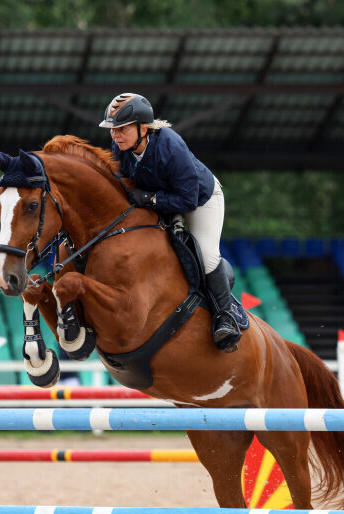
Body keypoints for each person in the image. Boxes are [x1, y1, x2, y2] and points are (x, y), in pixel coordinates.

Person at [99, 93, 241, 351]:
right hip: (162, 199)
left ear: (143, 128)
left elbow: (186, 201)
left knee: (207, 255)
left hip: (199, 200)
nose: (116, 135)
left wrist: (150, 199)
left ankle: (225, 317)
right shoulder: (120, 150)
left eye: (122, 129)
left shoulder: (171, 147)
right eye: (112, 130)